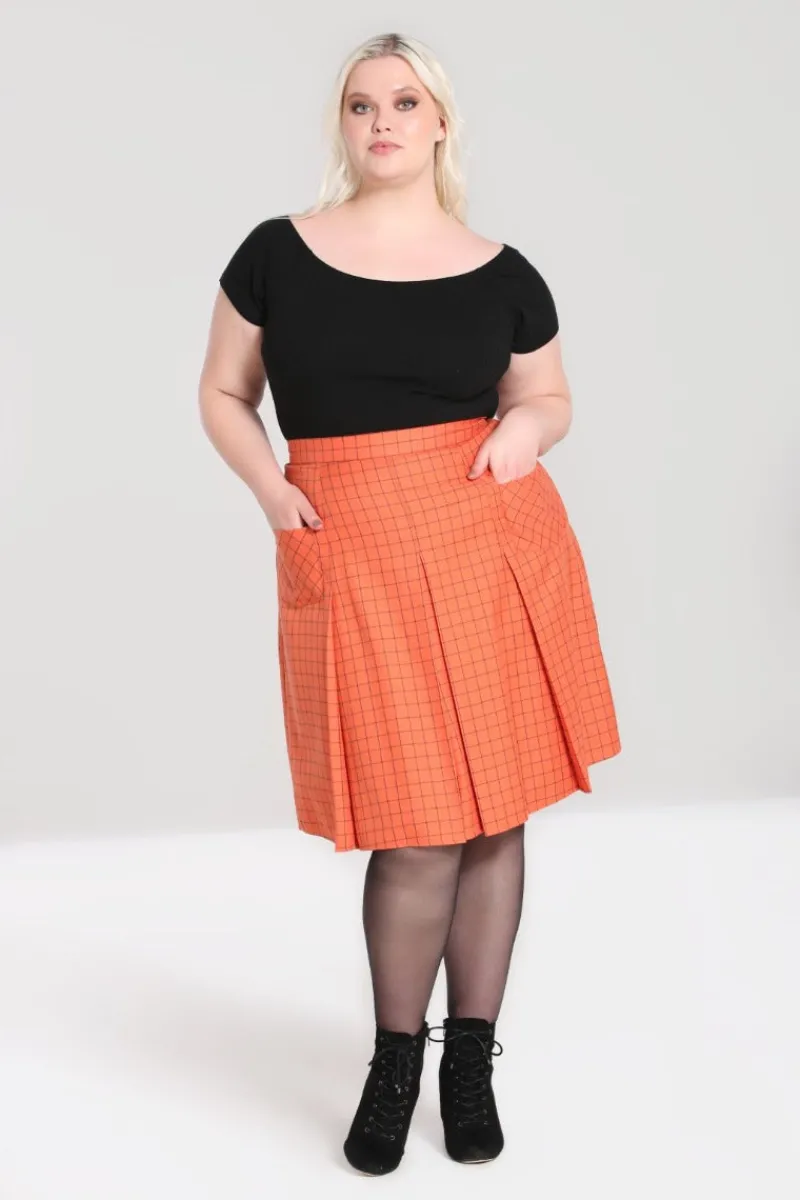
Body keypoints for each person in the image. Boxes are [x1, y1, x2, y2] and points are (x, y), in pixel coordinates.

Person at [198, 30, 621, 1177]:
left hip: (488, 540)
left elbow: (547, 395)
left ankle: (466, 1064)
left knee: (495, 815)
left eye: (401, 102)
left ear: (438, 123)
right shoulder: (276, 253)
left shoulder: (502, 270)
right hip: (354, 543)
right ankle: (395, 1062)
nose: (380, 122)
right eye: (359, 104)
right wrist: (271, 491)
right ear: (342, 126)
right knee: (416, 823)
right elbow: (225, 392)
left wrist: (525, 432)